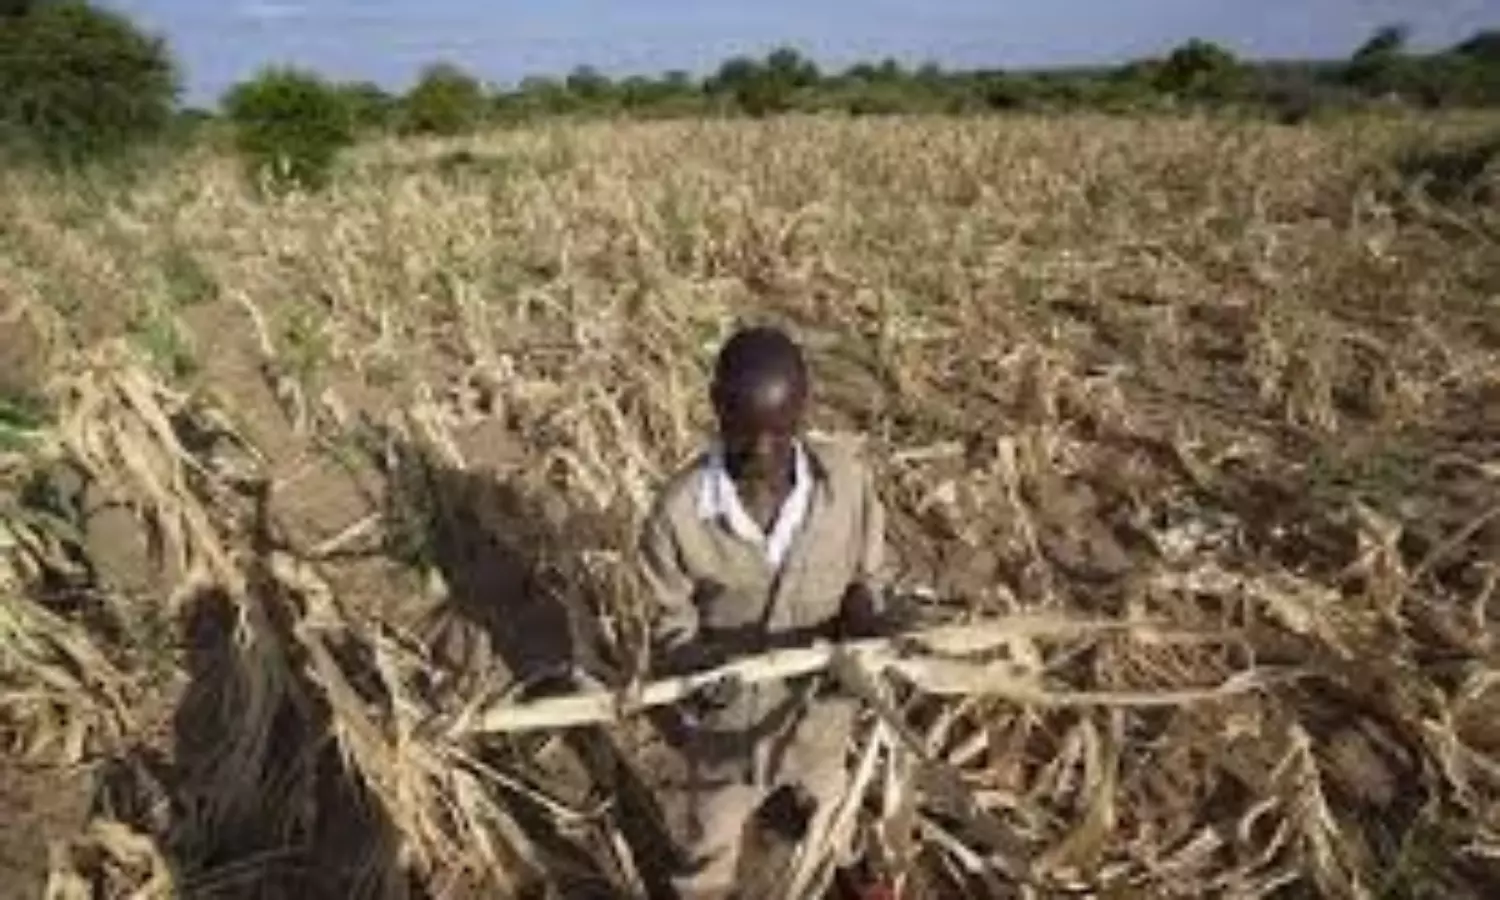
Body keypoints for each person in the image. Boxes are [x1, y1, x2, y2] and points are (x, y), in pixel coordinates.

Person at [636, 325, 895, 899]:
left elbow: (867, 578)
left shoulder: (846, 487)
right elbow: (669, 627)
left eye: (779, 433)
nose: (760, 451)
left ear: (803, 411)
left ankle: (848, 867)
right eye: (743, 431)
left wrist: (864, 621)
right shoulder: (678, 517)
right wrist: (697, 671)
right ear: (716, 408)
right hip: (729, 740)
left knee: (833, 807)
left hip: (822, 719)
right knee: (708, 840)